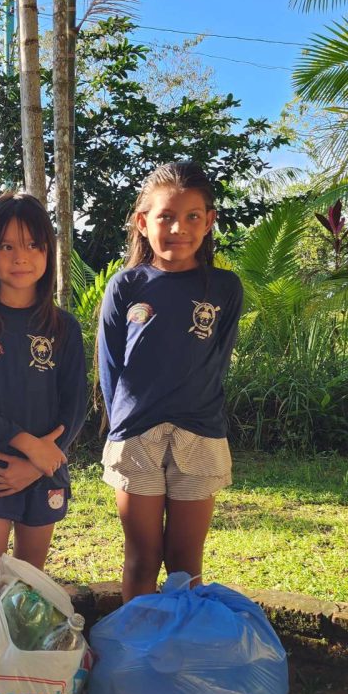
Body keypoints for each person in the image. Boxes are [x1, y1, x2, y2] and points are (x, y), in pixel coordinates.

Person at [97, 162, 242, 603]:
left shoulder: (224, 287)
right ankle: (134, 660)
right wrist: (124, 424)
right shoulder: (126, 285)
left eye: (193, 216)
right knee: (142, 557)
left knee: (185, 563)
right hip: (137, 438)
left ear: (209, 221)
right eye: (165, 217)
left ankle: (179, 657)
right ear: (143, 222)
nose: (179, 228)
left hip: (200, 435)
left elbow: (218, 361)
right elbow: (109, 367)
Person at [0, 192, 86, 569]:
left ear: (48, 252)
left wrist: (41, 464)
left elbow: (74, 406)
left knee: (29, 579)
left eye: (32, 245)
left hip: (46, 470)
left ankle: (22, 633)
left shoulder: (64, 328)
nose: (20, 257)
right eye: (6, 245)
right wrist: (28, 446)